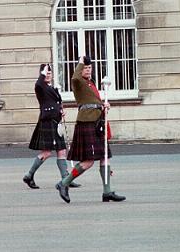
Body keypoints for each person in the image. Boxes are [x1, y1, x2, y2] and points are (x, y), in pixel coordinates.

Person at [55, 56, 126, 204]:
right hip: (86, 122)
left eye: (89, 68)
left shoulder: (90, 83)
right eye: (85, 68)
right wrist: (80, 62)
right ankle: (64, 183)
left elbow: (93, 101)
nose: (88, 70)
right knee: (88, 162)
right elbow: (74, 77)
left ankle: (107, 192)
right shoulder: (78, 82)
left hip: (97, 121)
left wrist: (102, 105)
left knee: (104, 156)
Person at [23, 64, 81, 189]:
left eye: (50, 73)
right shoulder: (40, 87)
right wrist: (42, 74)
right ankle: (29, 175)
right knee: (47, 152)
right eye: (46, 73)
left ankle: (66, 179)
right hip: (48, 122)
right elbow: (38, 84)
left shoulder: (52, 88)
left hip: (55, 122)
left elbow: (56, 103)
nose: (48, 75)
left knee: (61, 151)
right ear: (42, 74)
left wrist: (60, 111)